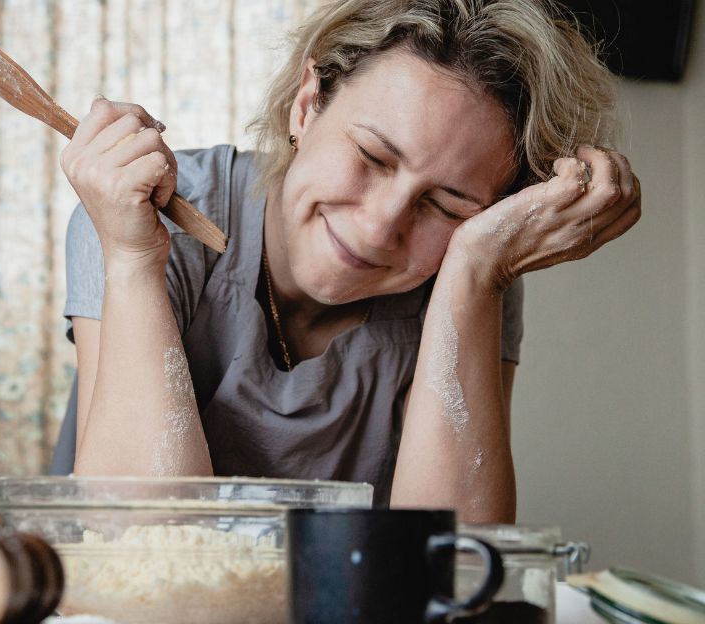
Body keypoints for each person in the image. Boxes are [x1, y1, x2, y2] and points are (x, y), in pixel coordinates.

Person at [50, 0, 641, 522]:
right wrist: (130, 257)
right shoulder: (142, 215)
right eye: (373, 156)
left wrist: (475, 273)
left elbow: (454, 570)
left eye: (444, 204)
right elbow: (134, 540)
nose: (381, 226)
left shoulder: (471, 266)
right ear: (307, 106)